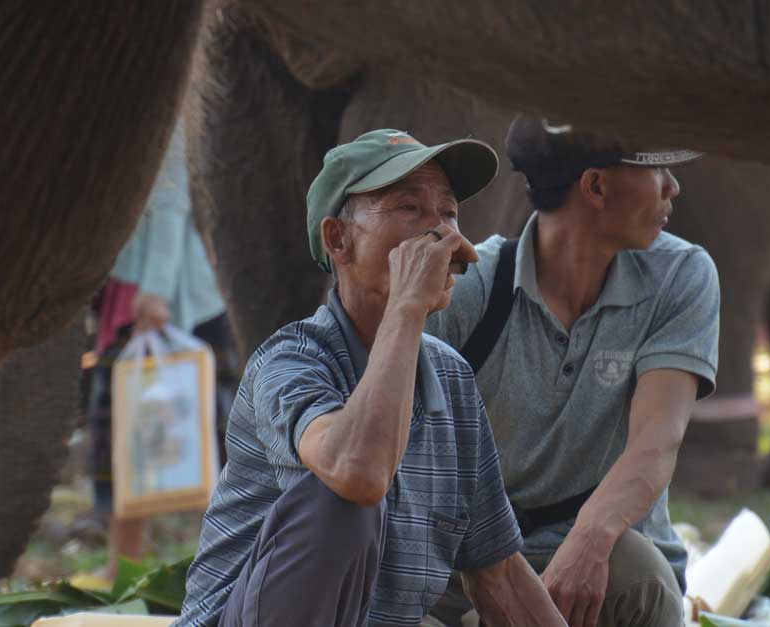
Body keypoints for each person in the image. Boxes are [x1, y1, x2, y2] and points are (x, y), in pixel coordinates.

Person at [177, 129, 566, 627]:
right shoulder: (292, 360)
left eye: (448, 214)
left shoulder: (451, 377)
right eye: (409, 209)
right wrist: (406, 305)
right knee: (344, 502)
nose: (445, 236)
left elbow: (501, 575)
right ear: (339, 239)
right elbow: (357, 473)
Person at [424, 116, 720, 627]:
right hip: (470, 563)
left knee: (642, 573)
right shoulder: (472, 287)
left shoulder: (681, 277)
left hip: (603, 556)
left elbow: (657, 441)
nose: (674, 187)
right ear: (597, 186)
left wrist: (589, 541)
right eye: (657, 171)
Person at [85, 120, 237, 560]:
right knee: (130, 438)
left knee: (203, 443)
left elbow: (170, 204)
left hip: (167, 300)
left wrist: (154, 292)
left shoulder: (168, 113)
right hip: (137, 288)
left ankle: (221, 566)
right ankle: (122, 566)